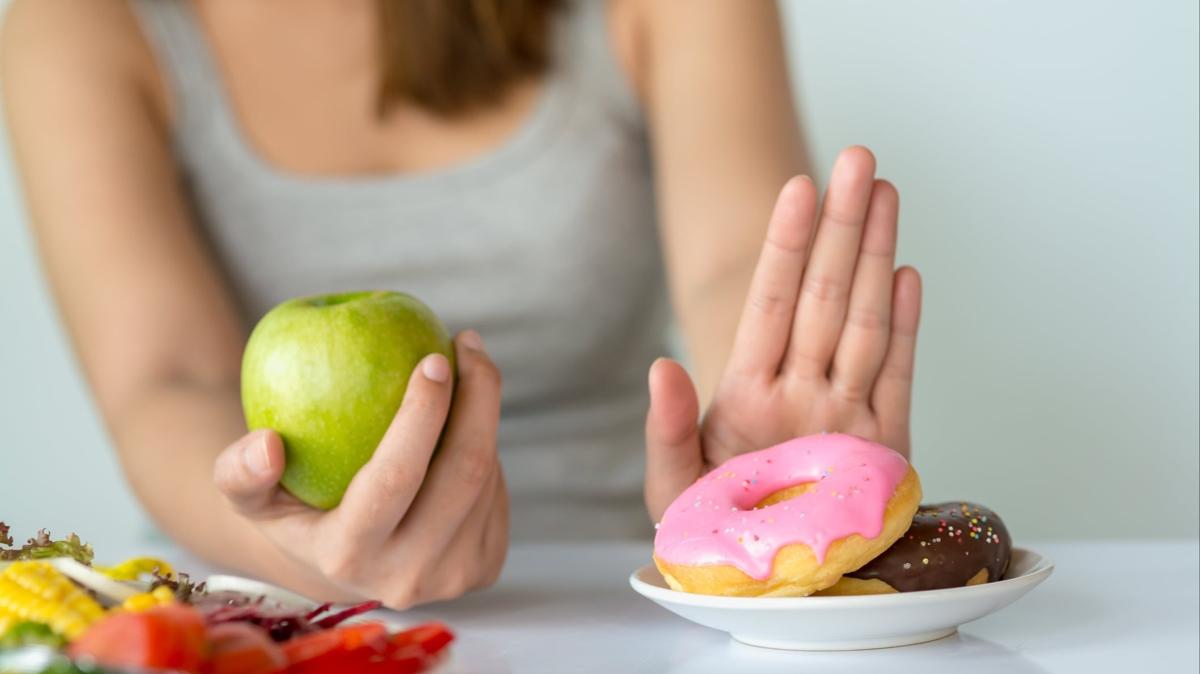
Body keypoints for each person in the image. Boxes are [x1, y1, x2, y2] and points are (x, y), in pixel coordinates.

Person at [2, 0, 921, 609]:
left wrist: (763, 458)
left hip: (612, 611)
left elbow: (733, 267)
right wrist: (309, 558)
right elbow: (164, 379)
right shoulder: (73, 23)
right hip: (261, 616)